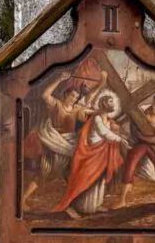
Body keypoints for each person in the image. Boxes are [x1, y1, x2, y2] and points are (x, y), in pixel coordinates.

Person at [21, 68, 108, 209]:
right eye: (72, 96)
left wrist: (101, 83)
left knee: (76, 169)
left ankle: (80, 203)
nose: (74, 99)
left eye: (76, 97)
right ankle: (23, 199)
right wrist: (60, 79)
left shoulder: (76, 109)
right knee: (45, 172)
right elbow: (45, 95)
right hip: (54, 142)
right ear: (65, 95)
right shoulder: (56, 104)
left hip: (69, 143)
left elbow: (90, 97)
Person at [53, 93, 129, 219]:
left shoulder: (108, 120)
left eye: (112, 101)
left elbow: (109, 132)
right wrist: (120, 140)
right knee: (83, 180)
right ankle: (69, 206)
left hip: (102, 152)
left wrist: (118, 134)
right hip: (91, 153)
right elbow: (104, 133)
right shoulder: (97, 118)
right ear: (104, 104)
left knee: (99, 179)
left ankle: (95, 205)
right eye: (110, 101)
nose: (113, 104)